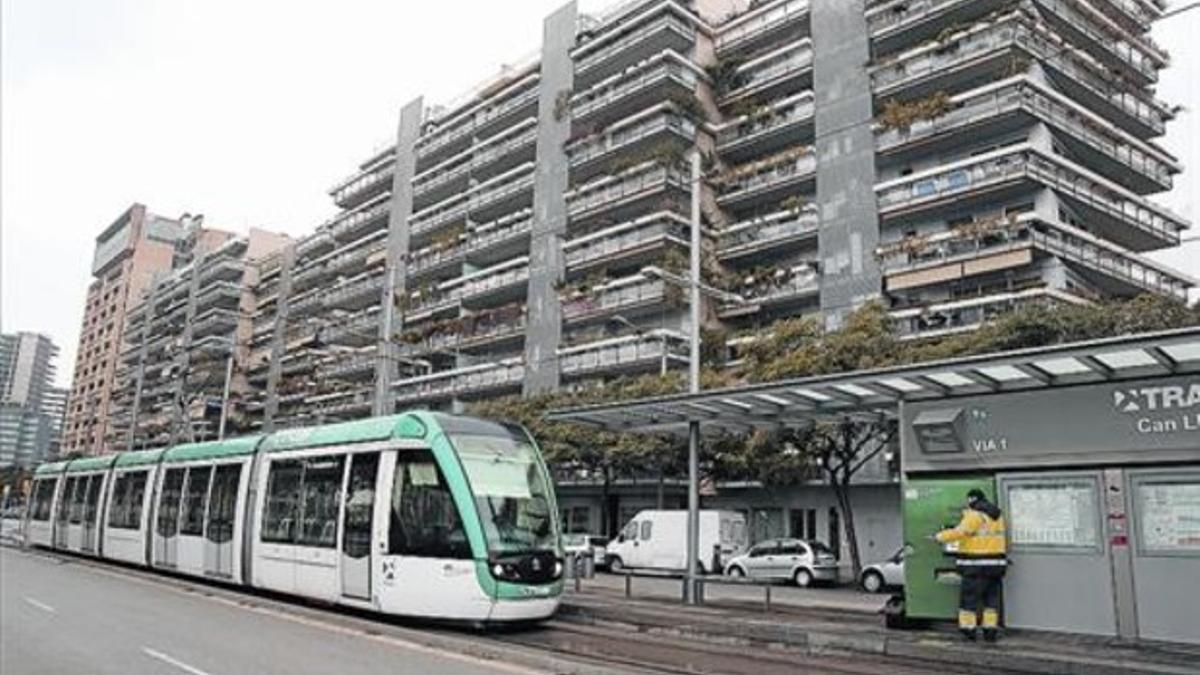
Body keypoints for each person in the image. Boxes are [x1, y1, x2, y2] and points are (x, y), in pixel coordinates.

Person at [936, 488, 1008, 643]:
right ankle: (990, 631)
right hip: (996, 566)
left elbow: (960, 532)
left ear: (972, 500)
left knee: (969, 600)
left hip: (976, 566)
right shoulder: (998, 516)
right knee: (991, 600)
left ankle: (969, 630)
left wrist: (940, 537)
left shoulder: (975, 515)